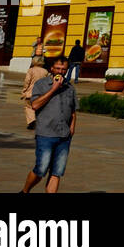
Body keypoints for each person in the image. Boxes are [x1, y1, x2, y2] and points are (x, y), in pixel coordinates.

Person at [20, 56, 76, 193]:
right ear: (52, 68)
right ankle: (25, 191)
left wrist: (72, 129)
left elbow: (73, 111)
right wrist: (54, 89)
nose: (60, 72)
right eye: (58, 68)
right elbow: (35, 105)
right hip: (46, 134)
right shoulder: (41, 84)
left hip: (64, 136)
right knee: (41, 169)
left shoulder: (70, 88)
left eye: (63, 69)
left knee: (56, 172)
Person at [21, 56, 48, 130]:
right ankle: (40, 122)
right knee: (39, 108)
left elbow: (27, 81)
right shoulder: (45, 71)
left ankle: (32, 121)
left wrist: (24, 91)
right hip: (40, 94)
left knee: (28, 107)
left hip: (30, 93)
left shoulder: (31, 70)